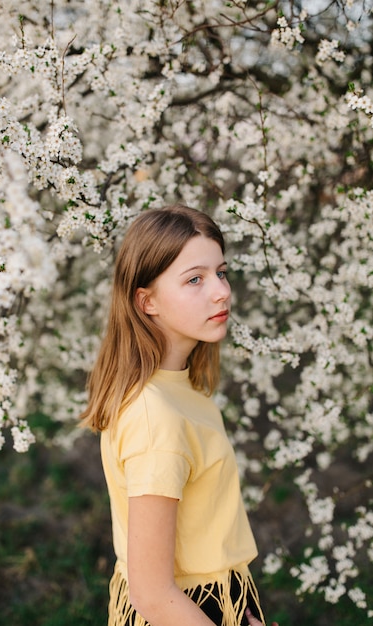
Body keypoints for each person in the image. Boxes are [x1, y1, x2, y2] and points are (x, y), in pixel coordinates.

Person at [80, 204, 279, 626]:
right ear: (146, 301)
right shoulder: (157, 418)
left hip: (220, 597)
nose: (221, 291)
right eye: (195, 279)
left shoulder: (180, 389)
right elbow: (152, 593)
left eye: (221, 273)